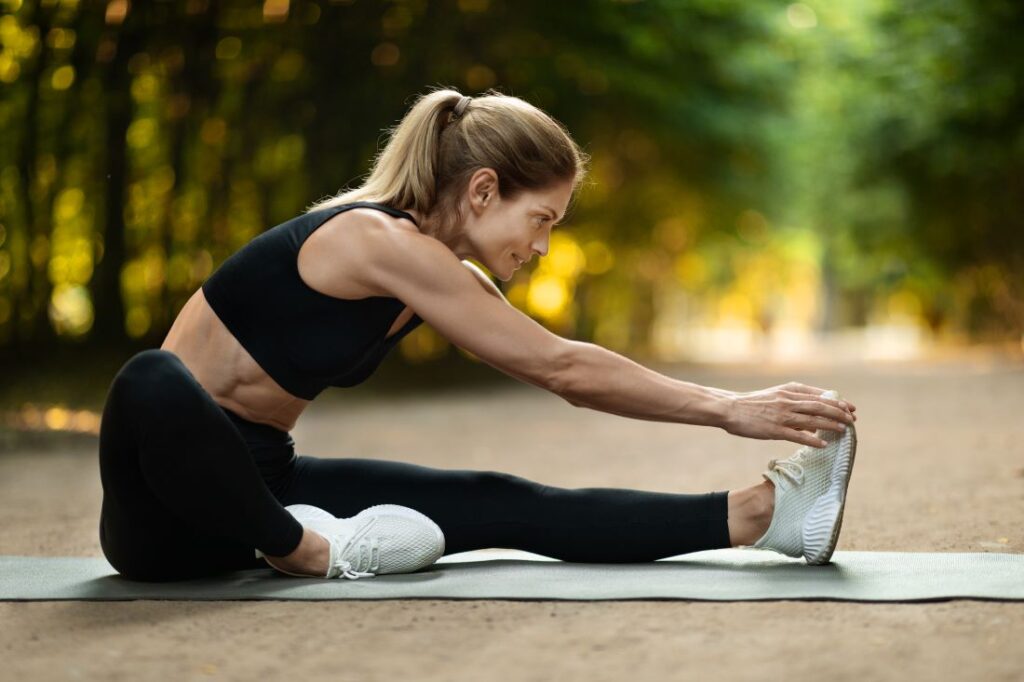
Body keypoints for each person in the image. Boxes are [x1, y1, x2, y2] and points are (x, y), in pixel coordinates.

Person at [97, 88, 858, 583]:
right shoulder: (374, 239)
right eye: (543, 219)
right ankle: (309, 551)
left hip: (267, 484)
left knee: (503, 499)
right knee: (149, 378)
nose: (546, 246)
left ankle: (762, 516)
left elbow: (561, 364)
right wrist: (728, 408)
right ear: (484, 189)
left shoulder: (435, 271)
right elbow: (562, 369)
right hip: (168, 514)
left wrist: (726, 410)